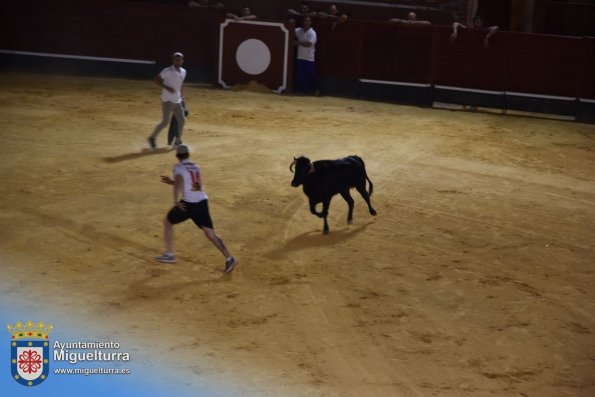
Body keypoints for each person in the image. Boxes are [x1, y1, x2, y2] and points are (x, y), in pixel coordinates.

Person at [155, 145, 238, 273]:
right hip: (202, 202)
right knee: (210, 233)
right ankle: (229, 258)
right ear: (188, 154)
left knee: (167, 222)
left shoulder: (178, 167)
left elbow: (179, 183)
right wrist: (170, 181)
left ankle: (170, 254)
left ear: (177, 156)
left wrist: (176, 201)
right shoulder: (195, 166)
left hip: (189, 204)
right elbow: (190, 184)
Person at [148, 52, 186, 149]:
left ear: (182, 61)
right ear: (173, 61)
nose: (178, 61)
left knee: (182, 121)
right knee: (165, 122)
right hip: (167, 100)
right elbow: (156, 80)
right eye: (176, 59)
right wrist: (167, 87)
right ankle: (152, 138)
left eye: (180, 59)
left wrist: (183, 98)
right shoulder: (167, 71)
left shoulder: (183, 71)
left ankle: (177, 141)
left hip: (177, 101)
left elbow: (181, 85)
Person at [295, 15, 318, 95]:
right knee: (301, 76)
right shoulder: (298, 30)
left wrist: (297, 43)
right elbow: (290, 30)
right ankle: (303, 91)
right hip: (300, 56)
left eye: (308, 21)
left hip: (309, 58)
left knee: (310, 75)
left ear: (311, 22)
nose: (306, 22)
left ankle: (315, 89)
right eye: (305, 21)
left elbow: (309, 44)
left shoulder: (312, 33)